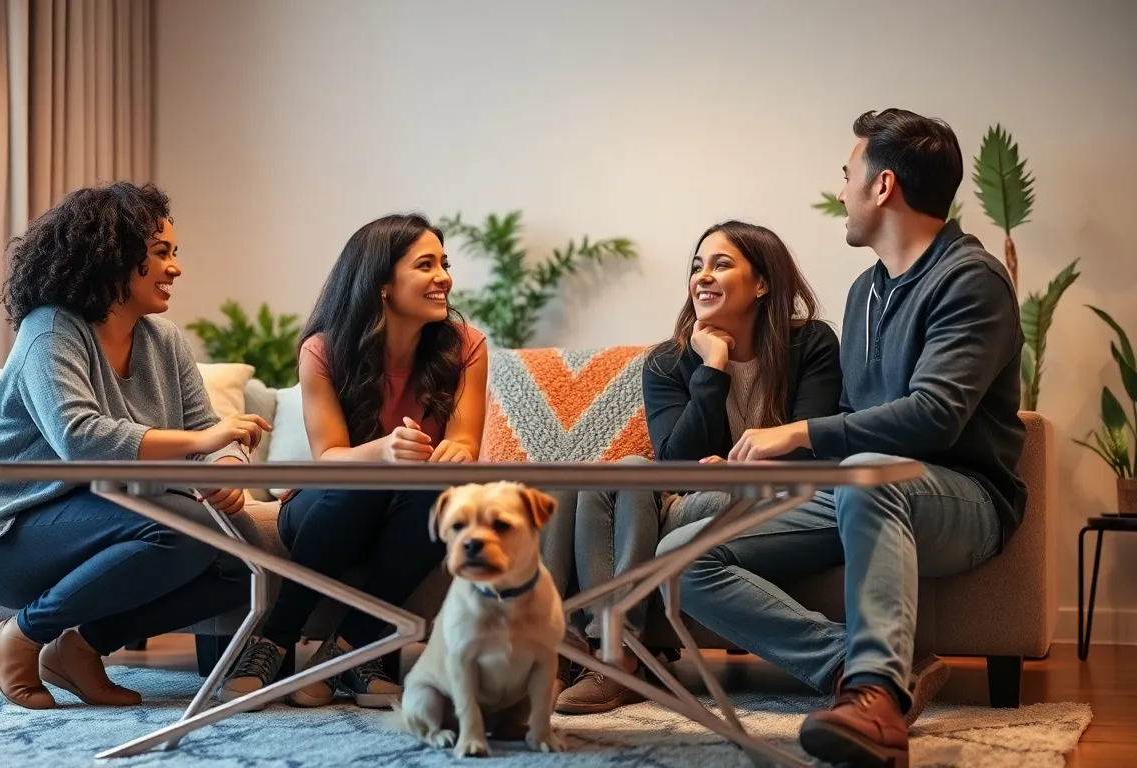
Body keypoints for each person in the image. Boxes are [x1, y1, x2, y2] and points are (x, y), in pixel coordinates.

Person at [659, 109, 1026, 767]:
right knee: (680, 553)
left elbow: (935, 416)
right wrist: (778, 477)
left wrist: (796, 433)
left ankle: (876, 702)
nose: (841, 191)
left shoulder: (970, 279)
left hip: (964, 499)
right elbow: (856, 420)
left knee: (869, 476)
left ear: (882, 186)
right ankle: (860, 668)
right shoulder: (866, 292)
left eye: (847, 174)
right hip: (863, 490)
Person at [0, 182, 269, 710]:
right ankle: (17, 637)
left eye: (174, 253)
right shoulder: (50, 330)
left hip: (101, 517)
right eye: (161, 253)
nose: (175, 268)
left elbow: (208, 433)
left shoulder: (166, 341)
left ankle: (79, 649)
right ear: (113, 256)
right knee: (182, 526)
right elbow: (79, 437)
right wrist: (204, 441)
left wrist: (226, 464)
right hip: (5, 531)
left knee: (248, 560)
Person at [543, 221, 842, 714]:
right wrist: (712, 367)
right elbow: (675, 467)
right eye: (697, 266)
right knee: (622, 472)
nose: (702, 276)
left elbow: (812, 447)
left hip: (776, 504)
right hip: (694, 504)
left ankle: (598, 656)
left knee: (622, 481)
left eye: (721, 265)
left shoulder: (810, 344)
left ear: (762, 283)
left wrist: (740, 468)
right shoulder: (668, 361)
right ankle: (616, 654)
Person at [223, 213, 488, 708]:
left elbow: (464, 442)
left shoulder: (466, 347)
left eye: (444, 264)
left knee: (442, 494)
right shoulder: (323, 349)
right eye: (426, 265)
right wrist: (383, 452)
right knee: (362, 482)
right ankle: (274, 639)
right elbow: (330, 458)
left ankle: (349, 650)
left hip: (414, 507)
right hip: (329, 501)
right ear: (382, 283)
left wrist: (457, 452)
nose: (444, 278)